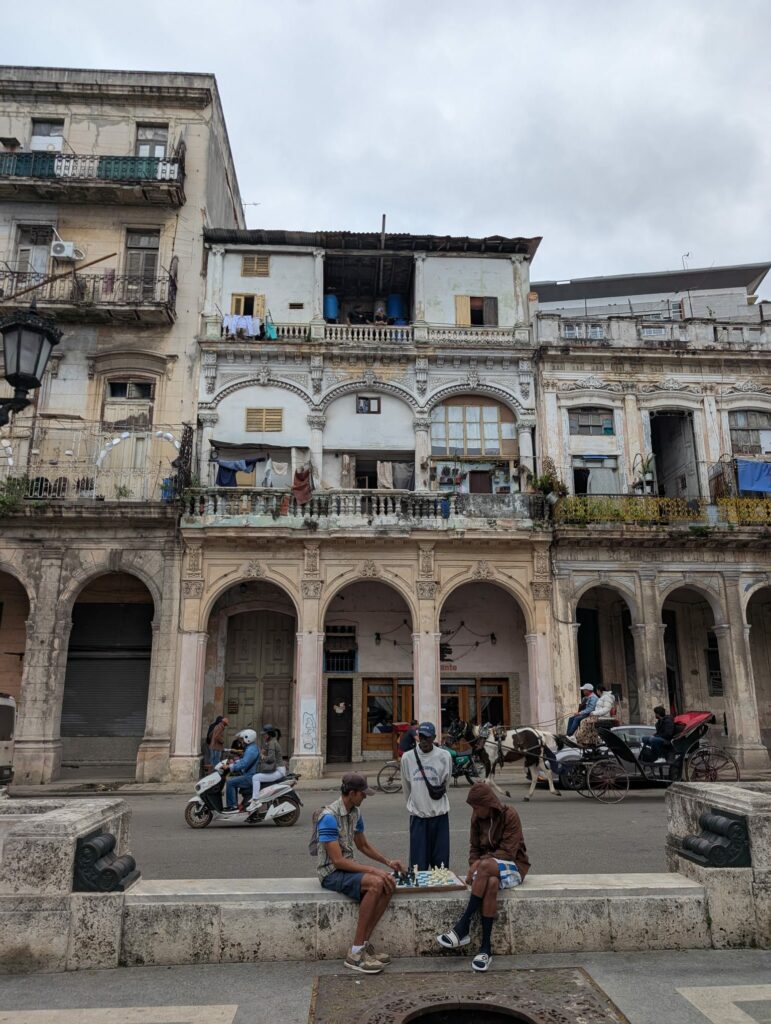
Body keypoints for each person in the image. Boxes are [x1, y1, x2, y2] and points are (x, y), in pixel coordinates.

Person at [316, 773, 406, 974]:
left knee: (388, 883)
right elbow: (338, 861)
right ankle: (355, 953)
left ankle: (363, 945)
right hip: (331, 872)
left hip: (347, 868)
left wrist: (388, 862)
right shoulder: (329, 817)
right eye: (362, 794)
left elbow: (363, 845)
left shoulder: (355, 812)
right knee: (376, 883)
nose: (365, 797)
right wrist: (374, 870)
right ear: (351, 793)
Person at [436, 782, 529, 972]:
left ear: (488, 804)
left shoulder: (509, 815)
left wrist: (479, 865)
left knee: (485, 866)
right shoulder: (477, 818)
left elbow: (508, 852)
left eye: (477, 807)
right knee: (491, 883)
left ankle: (463, 926)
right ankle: (486, 949)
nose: (475, 811)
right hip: (489, 871)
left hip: (514, 866)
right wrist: (474, 866)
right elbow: (474, 848)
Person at [400, 721, 452, 871]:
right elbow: (406, 787)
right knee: (418, 867)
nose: (424, 741)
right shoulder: (407, 758)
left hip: (439, 816)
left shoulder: (444, 756)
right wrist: (416, 804)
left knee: (440, 867)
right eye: (421, 737)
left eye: (427, 738)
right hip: (418, 818)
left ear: (434, 738)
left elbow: (446, 784)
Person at [246, 725, 286, 810]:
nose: (264, 735)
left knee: (255, 778)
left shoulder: (272, 743)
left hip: (278, 771)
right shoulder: (271, 742)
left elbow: (271, 758)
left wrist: (263, 756)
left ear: (269, 734)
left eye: (265, 734)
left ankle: (255, 801)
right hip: (278, 770)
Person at [223, 728, 260, 810]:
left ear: (248, 739)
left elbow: (244, 763)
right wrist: (234, 762)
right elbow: (244, 760)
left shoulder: (251, 750)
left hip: (250, 776)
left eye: (242, 739)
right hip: (249, 773)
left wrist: (230, 767)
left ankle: (232, 806)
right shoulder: (251, 747)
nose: (241, 741)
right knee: (234, 778)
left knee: (230, 782)